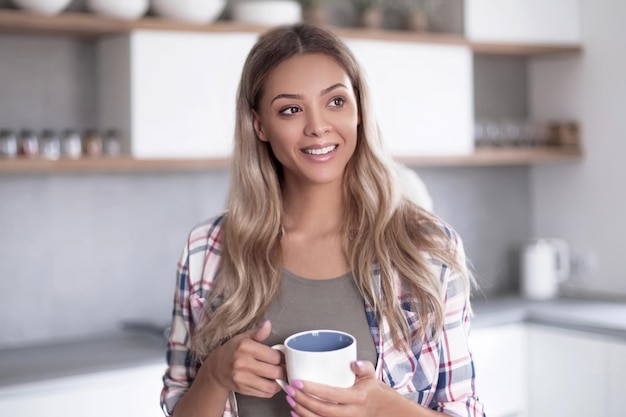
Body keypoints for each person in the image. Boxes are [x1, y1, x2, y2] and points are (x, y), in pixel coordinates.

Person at [160, 23, 485, 417]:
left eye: (335, 102)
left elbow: (464, 410)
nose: (317, 127)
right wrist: (215, 375)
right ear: (259, 124)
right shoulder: (206, 250)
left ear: (359, 109)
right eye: (291, 109)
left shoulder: (426, 248)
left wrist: (382, 409)